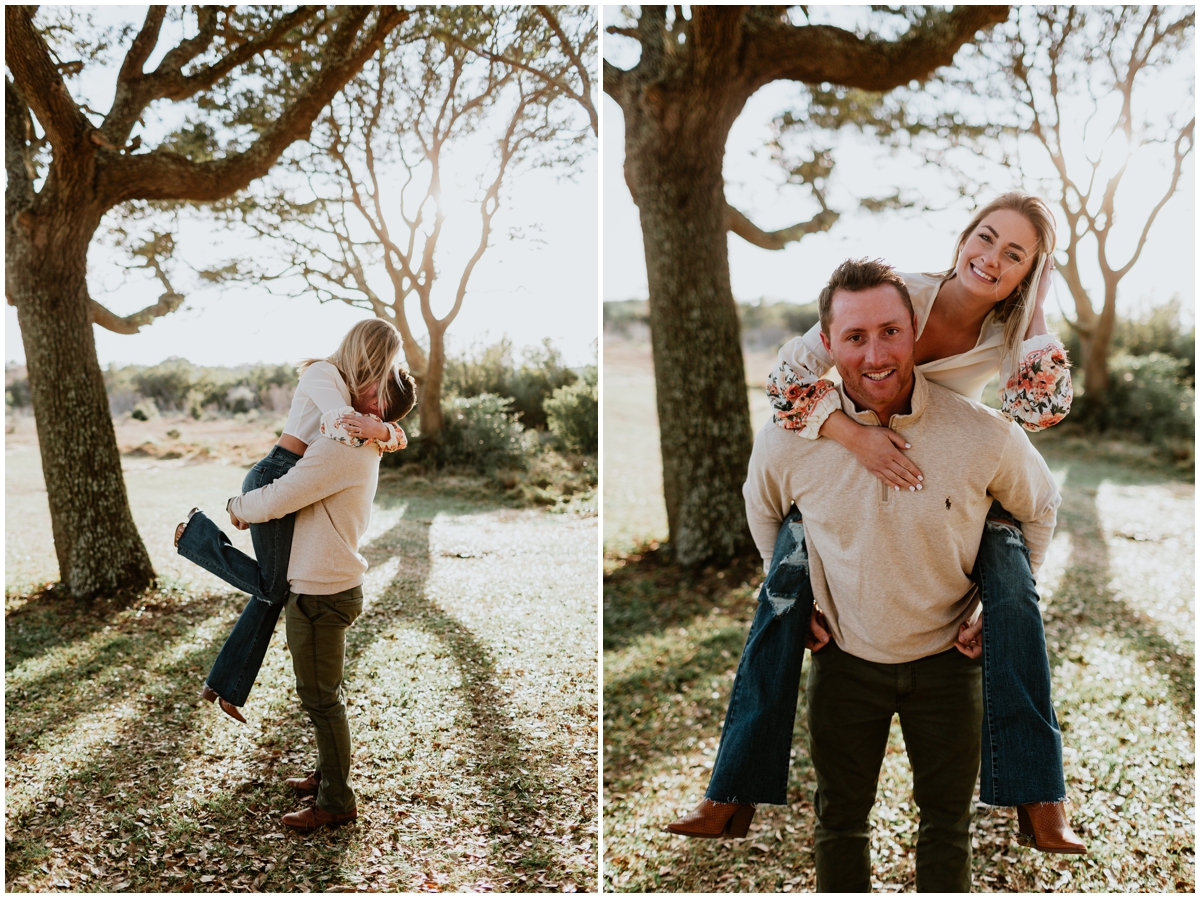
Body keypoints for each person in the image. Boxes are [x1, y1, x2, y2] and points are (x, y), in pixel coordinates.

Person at [668, 194, 1086, 855]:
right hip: (855, 434)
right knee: (786, 570)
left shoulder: (1013, 335)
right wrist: (846, 436)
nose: (991, 259)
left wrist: (1032, 305)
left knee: (1012, 570)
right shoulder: (903, 297)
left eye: (1015, 255)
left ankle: (1040, 794)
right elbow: (786, 378)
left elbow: (1039, 411)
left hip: (954, 455)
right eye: (985, 238)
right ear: (962, 236)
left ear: (1032, 269)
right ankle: (731, 791)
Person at [747, 258, 1060, 890]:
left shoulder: (983, 435)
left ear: (914, 329)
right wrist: (792, 597)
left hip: (948, 663)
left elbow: (1040, 507)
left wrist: (996, 606)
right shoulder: (789, 439)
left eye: (890, 331)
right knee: (840, 821)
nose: (875, 353)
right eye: (855, 337)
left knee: (946, 825)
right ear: (827, 344)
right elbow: (764, 509)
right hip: (845, 659)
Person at [175, 319, 407, 722]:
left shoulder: (344, 384)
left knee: (273, 588)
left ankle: (226, 685)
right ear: (367, 355)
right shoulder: (323, 373)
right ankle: (197, 540)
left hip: (293, 472)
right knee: (274, 585)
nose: (383, 377)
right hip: (277, 471)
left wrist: (384, 430)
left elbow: (371, 437)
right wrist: (379, 430)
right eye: (383, 367)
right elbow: (341, 426)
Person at [223, 364, 416, 831]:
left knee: (320, 698)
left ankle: (335, 802)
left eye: (372, 384)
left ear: (377, 405)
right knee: (326, 694)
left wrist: (237, 507)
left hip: (320, 592)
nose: (361, 382)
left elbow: (280, 497)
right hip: (330, 584)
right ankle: (327, 775)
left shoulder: (343, 447)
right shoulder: (366, 443)